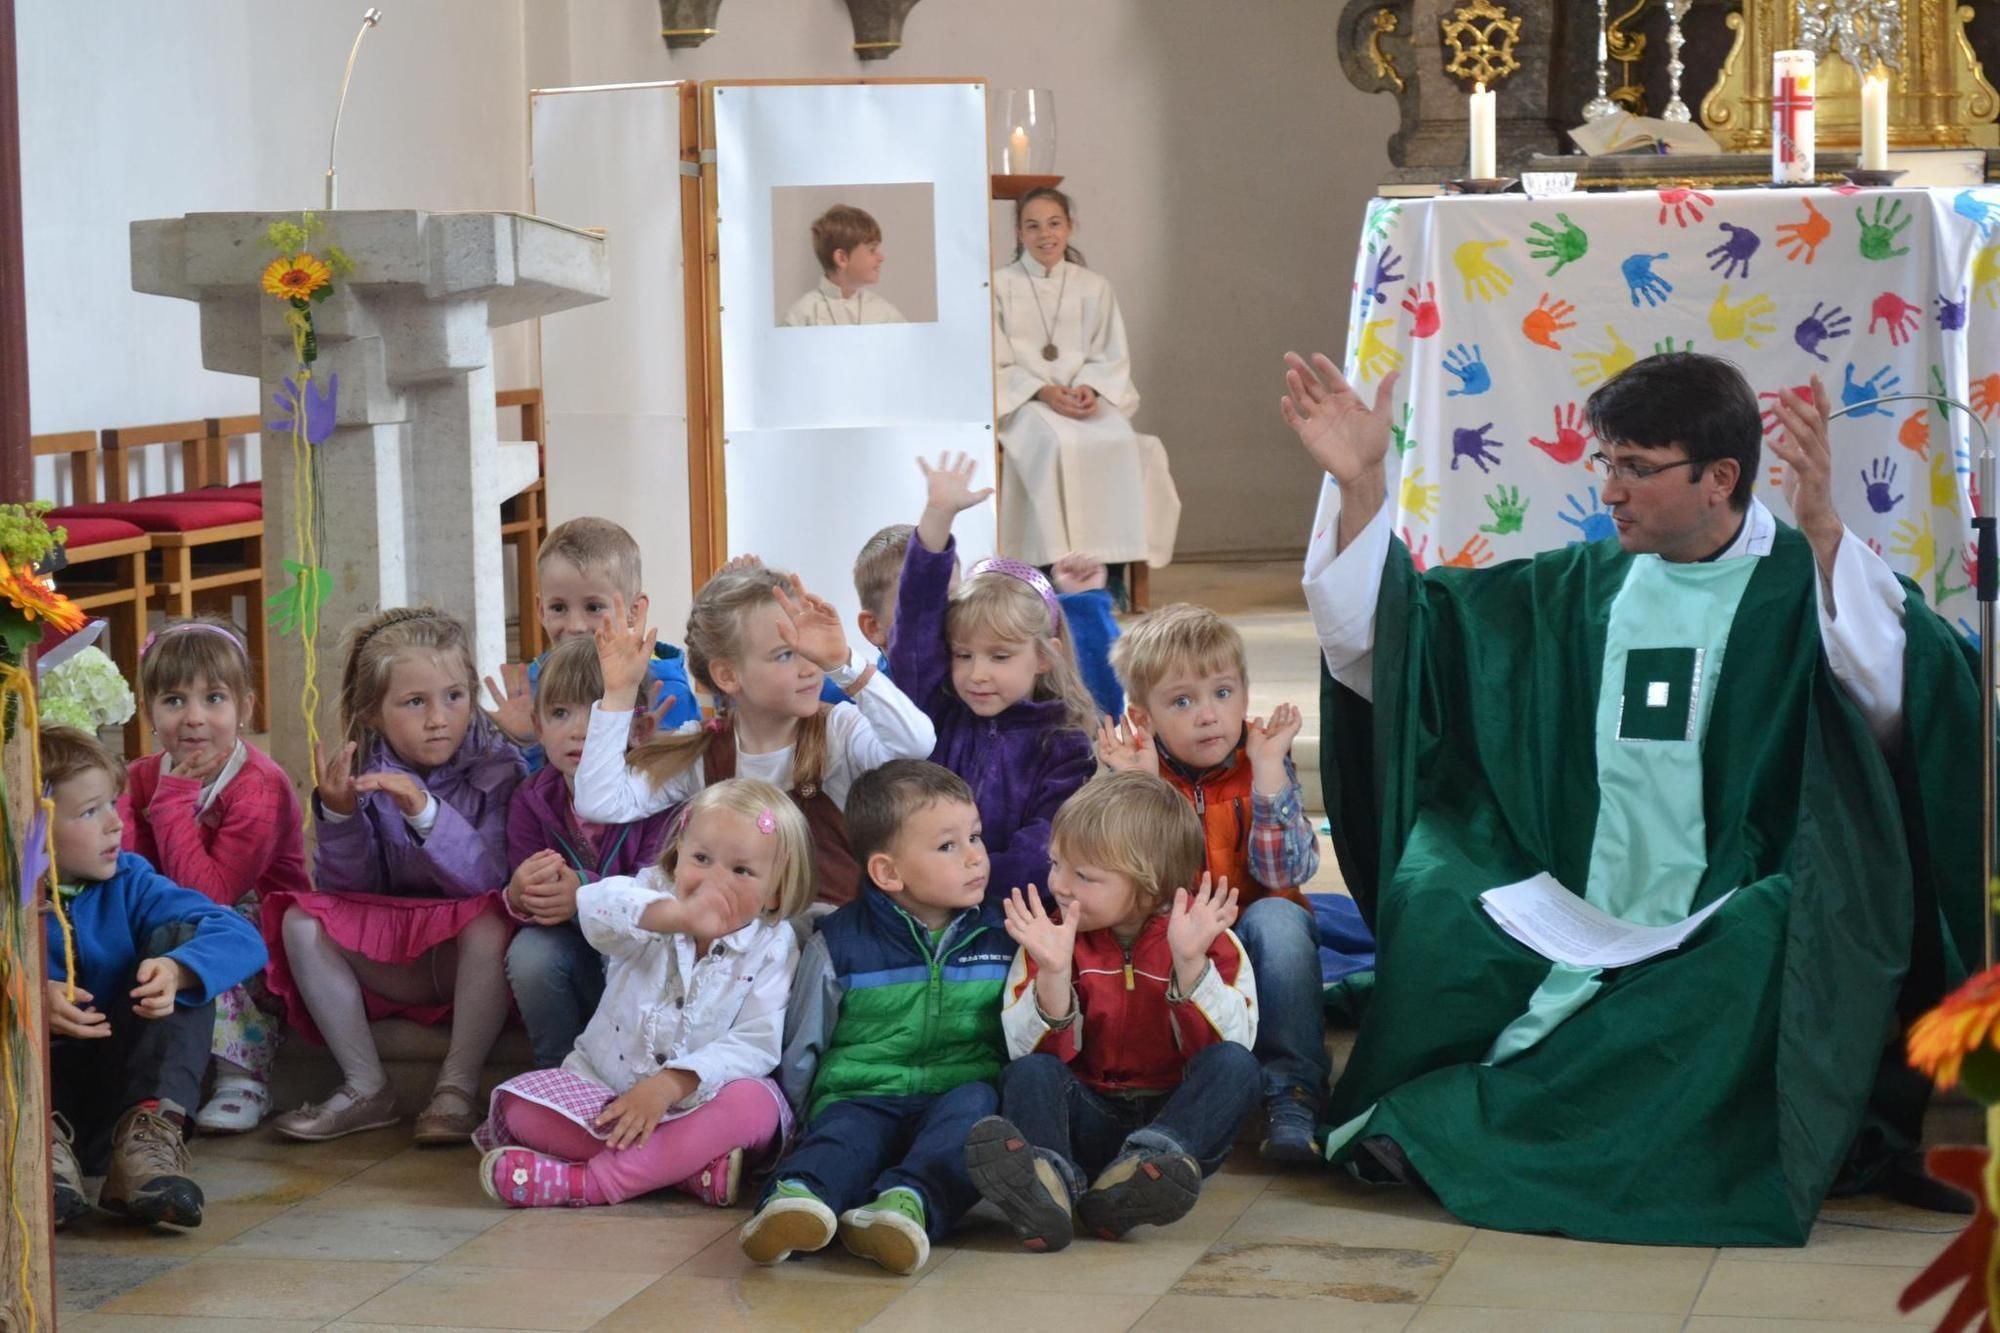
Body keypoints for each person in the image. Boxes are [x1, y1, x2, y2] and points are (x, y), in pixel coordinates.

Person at [1286, 348, 1981, 1245]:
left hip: (1732, 892)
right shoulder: (1578, 588)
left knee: (1769, 945)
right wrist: (1361, 482)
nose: (1610, 490)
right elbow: (1400, 644)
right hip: (1572, 889)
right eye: (1606, 463)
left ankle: (1471, 1135)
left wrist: (1827, 541)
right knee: (1438, 894)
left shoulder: (1805, 583)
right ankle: (1432, 1119)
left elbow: (1909, 713)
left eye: (1637, 468)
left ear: (1720, 477)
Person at [477, 779, 812, 1209]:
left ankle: (590, 1184)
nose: (714, 880)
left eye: (741, 870)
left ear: (777, 891)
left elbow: (755, 1042)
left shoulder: (774, 943)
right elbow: (597, 908)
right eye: (702, 859)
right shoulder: (652, 893)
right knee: (516, 1108)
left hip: (700, 1102)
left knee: (758, 1107)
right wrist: (672, 916)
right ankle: (684, 1169)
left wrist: (672, 1084)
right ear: (678, 856)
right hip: (607, 1094)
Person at [1102, 602, 1357, 1161]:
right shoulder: (1133, 769)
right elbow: (1137, 890)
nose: (1209, 716)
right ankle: (1178, 1088)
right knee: (1140, 932)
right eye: (1182, 701)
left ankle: (1294, 1091)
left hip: (1253, 918)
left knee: (1283, 918)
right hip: (1176, 932)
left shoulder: (1262, 758)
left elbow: (1285, 874)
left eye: (1222, 693)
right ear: (1142, 718)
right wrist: (1143, 789)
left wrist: (1268, 777)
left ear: (1245, 692)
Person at [966, 770, 1259, 1251]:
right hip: (1088, 1113)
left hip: (1173, 1120)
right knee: (1029, 1074)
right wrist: (1054, 973)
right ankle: (1049, 1186)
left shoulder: (1209, 940)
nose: (1058, 884)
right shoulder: (1050, 935)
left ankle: (1139, 1177)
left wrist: (1189, 965)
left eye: (1084, 876)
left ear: (1149, 885)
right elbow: (1025, 1050)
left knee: (1239, 1067)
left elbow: (1230, 1043)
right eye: (1056, 863)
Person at [264, 608, 526, 1144]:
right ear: (375, 715)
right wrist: (338, 813)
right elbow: (349, 891)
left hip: (468, 962)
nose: (439, 717)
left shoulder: (502, 765)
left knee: (491, 922)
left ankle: (456, 1088)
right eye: (415, 702)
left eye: (454, 696)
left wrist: (424, 810)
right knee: (300, 921)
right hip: (399, 955)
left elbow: (488, 879)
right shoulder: (369, 771)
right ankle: (365, 1086)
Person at [740, 760, 1010, 1276]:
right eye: (948, 846)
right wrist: (800, 1120)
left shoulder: (1001, 935)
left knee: (973, 1125)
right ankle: (795, 1200)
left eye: (975, 836)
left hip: (957, 1091)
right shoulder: (839, 943)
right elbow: (803, 1046)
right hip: (862, 1092)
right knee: (843, 1137)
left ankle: (903, 1208)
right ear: (888, 872)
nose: (976, 856)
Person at [575, 564, 934, 906]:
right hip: (740, 948)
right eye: (785, 655)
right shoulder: (704, 750)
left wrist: (844, 663)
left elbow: (915, 744)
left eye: (810, 650)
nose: (809, 667)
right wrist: (620, 693)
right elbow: (601, 802)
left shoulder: (838, 730)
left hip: (827, 945)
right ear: (728, 676)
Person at [42, 725, 268, 1229]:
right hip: (29, 1105)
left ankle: (147, 1146)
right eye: (89, 812)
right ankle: (34, 1157)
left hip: (116, 1095)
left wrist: (178, 969)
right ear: (29, 825)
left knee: (183, 946)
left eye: (112, 804)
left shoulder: (130, 878)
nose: (114, 825)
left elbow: (241, 937)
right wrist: (22, 994)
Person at [119, 617, 307, 1134]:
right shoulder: (138, 776)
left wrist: (173, 806)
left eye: (215, 698)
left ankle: (242, 1072)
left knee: (210, 933)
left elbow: (210, 893)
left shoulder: (258, 786)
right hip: (170, 915)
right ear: (147, 710)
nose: (194, 718)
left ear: (247, 706)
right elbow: (123, 868)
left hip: (258, 924)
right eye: (174, 700)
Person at [888, 454, 1098, 899]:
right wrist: (937, 519)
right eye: (963, 654)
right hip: (920, 902)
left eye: (999, 656)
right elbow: (915, 625)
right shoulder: (937, 711)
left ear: (1044, 657)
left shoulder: (1065, 744)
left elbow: (1045, 847)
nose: (976, 674)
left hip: (1006, 917)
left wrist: (967, 885)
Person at [500, 636, 680, 1069]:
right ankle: (556, 1073)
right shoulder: (530, 798)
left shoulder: (657, 793)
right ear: (538, 727)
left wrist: (582, 892)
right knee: (530, 956)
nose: (579, 730)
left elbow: (660, 894)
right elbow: (515, 891)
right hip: (573, 955)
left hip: (641, 960)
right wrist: (522, 893)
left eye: (599, 712)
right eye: (561, 713)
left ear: (636, 729)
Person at [992, 186, 1180, 571]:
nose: (1045, 235)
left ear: (1071, 227)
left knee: (1117, 438)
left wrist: (1091, 389)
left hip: (1081, 402)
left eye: (1054, 224)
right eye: (1033, 226)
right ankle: (1051, 566)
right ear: (1019, 234)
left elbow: (1110, 354)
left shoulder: (1093, 287)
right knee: (1050, 443)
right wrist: (1043, 391)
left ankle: (1108, 567)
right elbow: (994, 361)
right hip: (1027, 404)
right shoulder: (998, 286)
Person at [484, 516, 700, 771]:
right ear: (541, 610)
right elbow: (526, 790)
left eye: (594, 607)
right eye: (558, 608)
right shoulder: (533, 684)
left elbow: (682, 787)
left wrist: (645, 751)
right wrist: (522, 744)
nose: (575, 625)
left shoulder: (665, 690)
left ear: (633, 610)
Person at [853, 522, 1124, 720]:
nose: (934, 617)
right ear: (873, 627)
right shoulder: (855, 699)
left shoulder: (982, 675)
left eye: (949, 600)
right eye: (913, 609)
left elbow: (1101, 706)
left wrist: (1084, 603)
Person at [780, 204, 906, 327]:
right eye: (872, 250)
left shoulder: (886, 315)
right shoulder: (801, 317)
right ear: (842, 258)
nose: (881, 258)